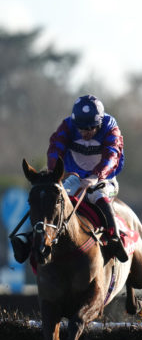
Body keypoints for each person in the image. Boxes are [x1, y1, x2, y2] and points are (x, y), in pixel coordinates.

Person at [11, 94, 128, 263]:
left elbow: (112, 156)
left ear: (100, 123)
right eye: (81, 129)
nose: (85, 133)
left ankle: (114, 237)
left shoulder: (111, 128)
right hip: (74, 177)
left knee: (98, 195)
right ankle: (29, 240)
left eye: (90, 129)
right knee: (53, 198)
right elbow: (55, 149)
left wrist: (96, 176)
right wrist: (52, 172)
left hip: (104, 178)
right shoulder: (67, 126)